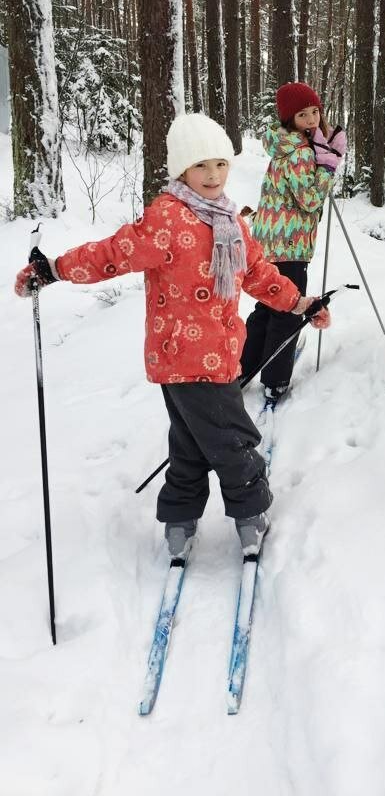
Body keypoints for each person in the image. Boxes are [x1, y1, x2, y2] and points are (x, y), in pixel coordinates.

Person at [14, 113, 330, 558]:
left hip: (214, 353)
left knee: (190, 442)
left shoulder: (232, 223)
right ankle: (250, 512)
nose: (213, 175)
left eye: (220, 164)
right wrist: (56, 270)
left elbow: (258, 274)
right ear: (182, 169)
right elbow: (113, 254)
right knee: (232, 440)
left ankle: (179, 520)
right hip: (187, 357)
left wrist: (301, 303)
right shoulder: (167, 219)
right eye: (202, 166)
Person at [240, 81, 346, 402]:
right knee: (287, 312)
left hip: (270, 243)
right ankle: (275, 380)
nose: (312, 119)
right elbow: (310, 199)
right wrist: (328, 164)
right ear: (290, 119)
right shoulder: (299, 152)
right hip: (289, 245)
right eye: (303, 114)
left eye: (315, 111)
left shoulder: (285, 146)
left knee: (267, 306)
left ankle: (242, 367)